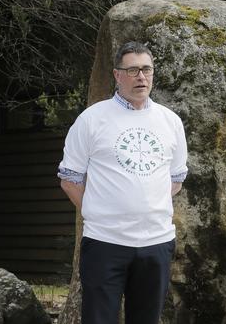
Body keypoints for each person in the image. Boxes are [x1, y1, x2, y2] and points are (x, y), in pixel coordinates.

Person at [58, 41, 188, 324]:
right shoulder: (92, 120)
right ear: (117, 75)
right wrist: (98, 210)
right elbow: (69, 179)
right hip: (105, 242)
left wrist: (146, 207)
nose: (141, 77)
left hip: (157, 243)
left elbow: (176, 179)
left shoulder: (171, 122)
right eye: (132, 70)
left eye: (146, 69)